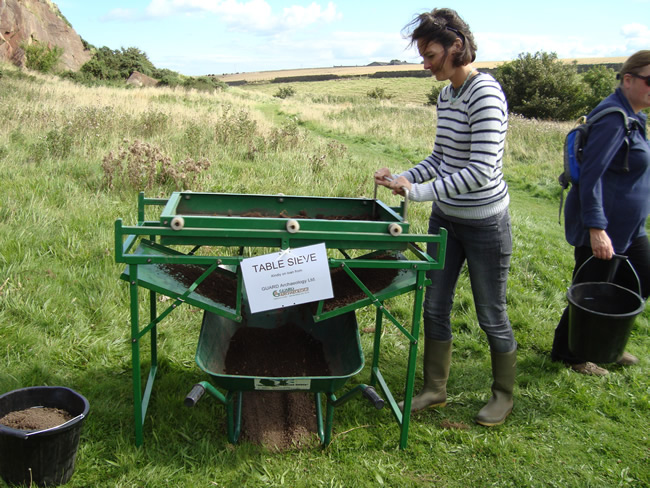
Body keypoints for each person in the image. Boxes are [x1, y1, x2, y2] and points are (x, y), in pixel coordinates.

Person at [374, 8, 516, 426]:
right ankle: (435, 389)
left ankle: (503, 395)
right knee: (435, 306)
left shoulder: (484, 93)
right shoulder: (447, 95)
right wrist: (404, 177)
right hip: (447, 220)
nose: (426, 64)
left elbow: (480, 170)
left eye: (431, 54)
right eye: (422, 55)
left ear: (457, 47)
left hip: (486, 223)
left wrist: (418, 193)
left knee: (491, 312)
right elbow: (441, 158)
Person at [551, 50, 650, 375]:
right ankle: (571, 353)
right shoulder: (612, 118)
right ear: (628, 79)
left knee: (639, 279)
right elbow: (591, 176)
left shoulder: (635, 117)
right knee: (591, 289)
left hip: (630, 229)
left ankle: (604, 340)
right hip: (605, 227)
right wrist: (596, 228)